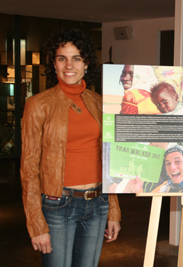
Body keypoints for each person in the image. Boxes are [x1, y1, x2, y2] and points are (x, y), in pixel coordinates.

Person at [20, 29, 121, 267]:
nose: (69, 65)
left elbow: (109, 160)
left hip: (98, 202)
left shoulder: (99, 102)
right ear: (53, 64)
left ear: (86, 63)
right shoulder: (38, 104)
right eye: (61, 58)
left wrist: (113, 211)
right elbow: (29, 168)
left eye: (76, 58)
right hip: (57, 205)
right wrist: (36, 223)